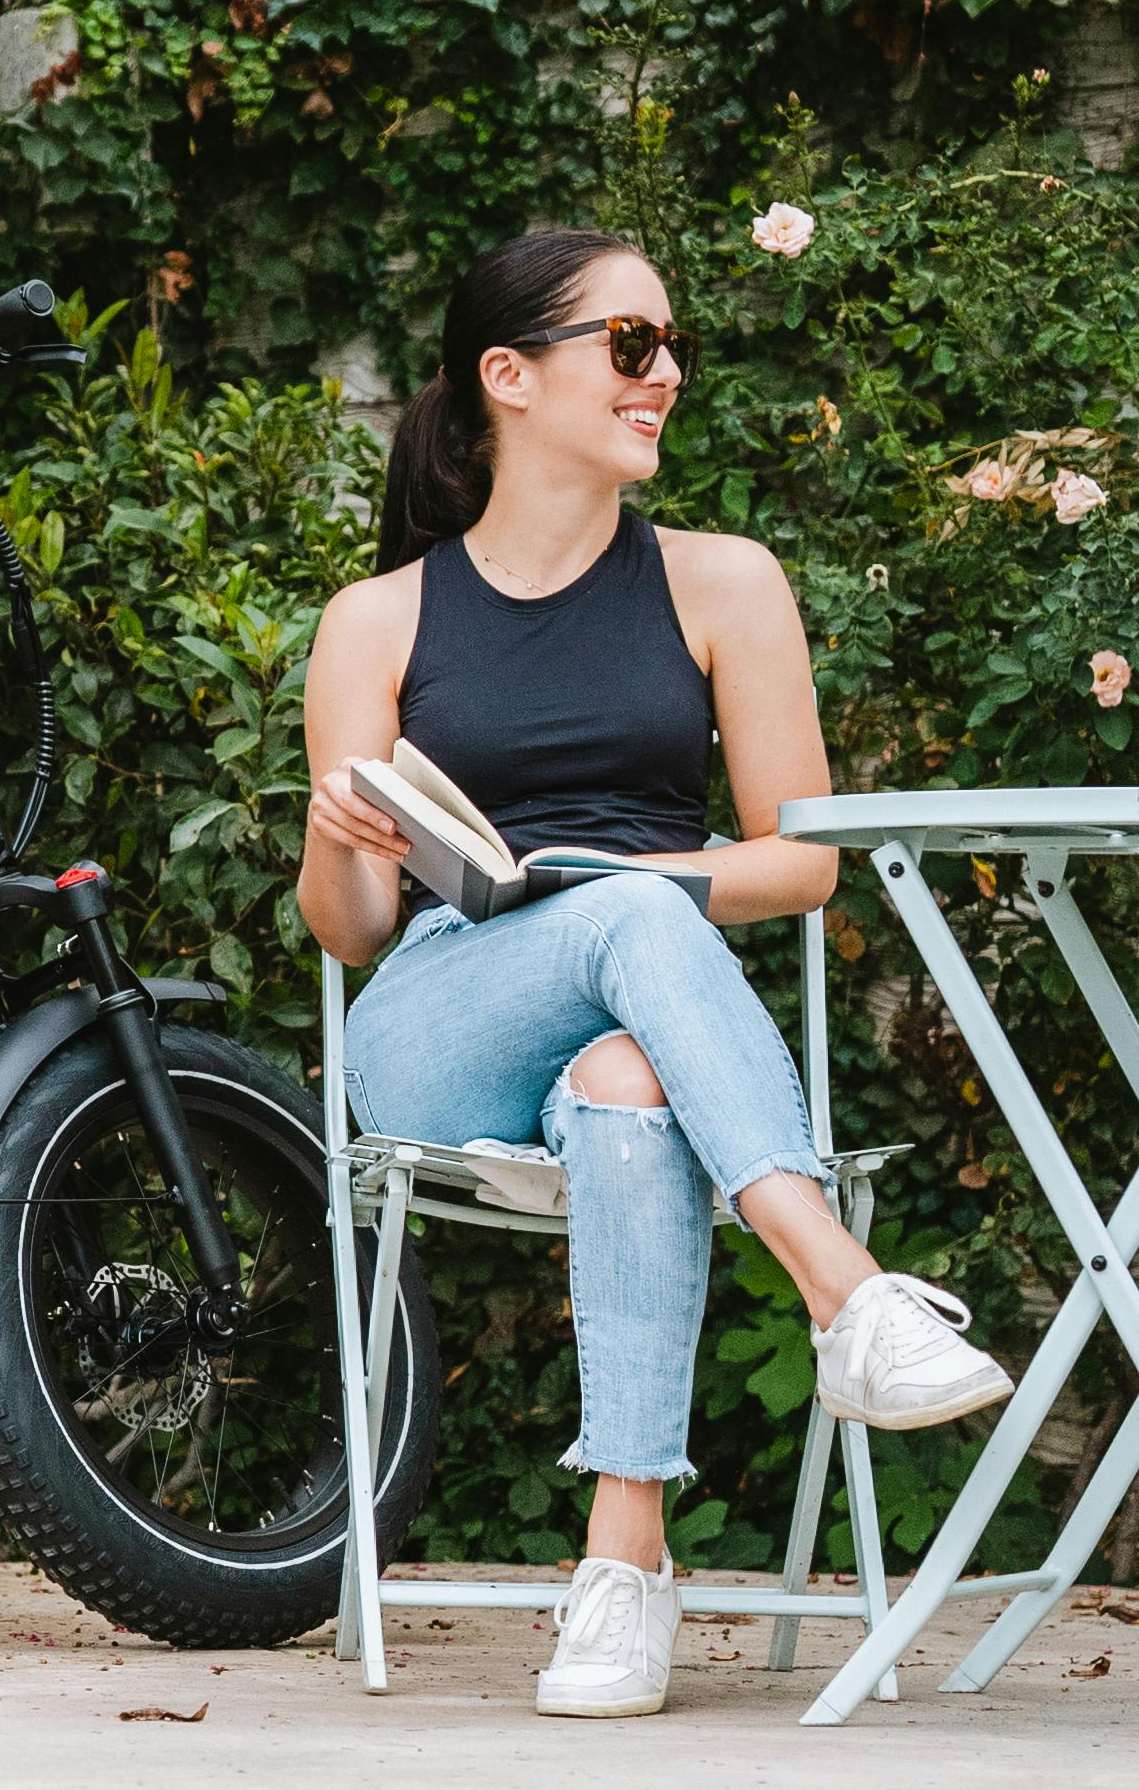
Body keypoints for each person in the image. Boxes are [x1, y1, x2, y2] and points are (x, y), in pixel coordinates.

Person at [297, 229, 1012, 1719]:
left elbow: (798, 861)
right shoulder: (378, 619)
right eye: (630, 346)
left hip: (642, 1012)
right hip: (442, 1015)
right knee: (636, 919)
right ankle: (846, 1292)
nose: (667, 372)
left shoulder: (723, 585)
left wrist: (624, 883)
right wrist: (337, 830)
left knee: (630, 1061)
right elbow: (352, 929)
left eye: (670, 343)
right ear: (510, 376)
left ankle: (623, 1561)